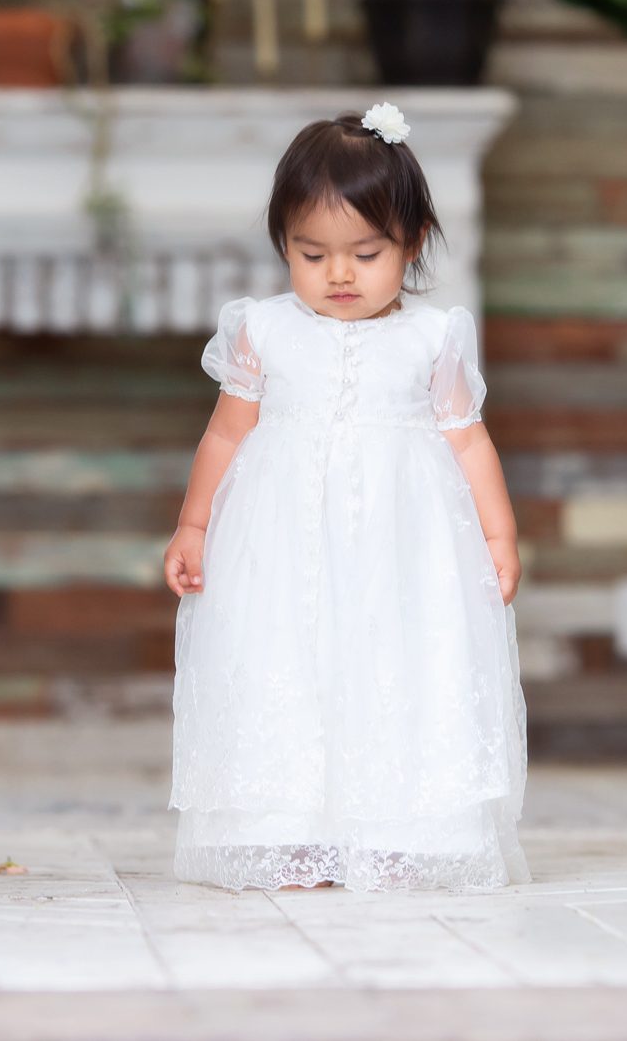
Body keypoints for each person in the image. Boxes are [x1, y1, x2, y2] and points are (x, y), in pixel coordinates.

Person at [161, 102, 531, 893]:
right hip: (284, 546)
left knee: (398, 667)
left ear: (413, 244)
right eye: (311, 252)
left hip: (402, 549)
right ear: (283, 247)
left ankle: (397, 832)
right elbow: (225, 435)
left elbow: (468, 438)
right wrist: (194, 523)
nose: (338, 274)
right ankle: (289, 832)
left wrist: (497, 539)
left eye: (366, 253)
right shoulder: (264, 329)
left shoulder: (433, 338)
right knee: (287, 668)